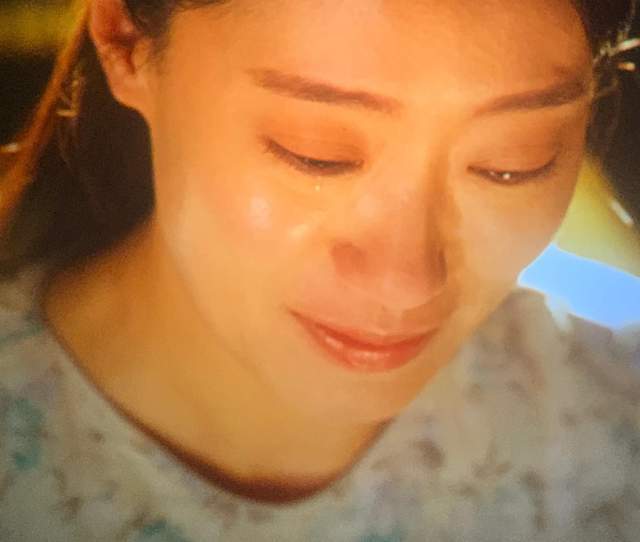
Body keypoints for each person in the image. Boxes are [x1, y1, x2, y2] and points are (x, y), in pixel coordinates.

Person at [0, 0, 639, 540]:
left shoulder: (616, 431)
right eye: (315, 155)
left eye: (511, 164)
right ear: (126, 41)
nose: (405, 281)